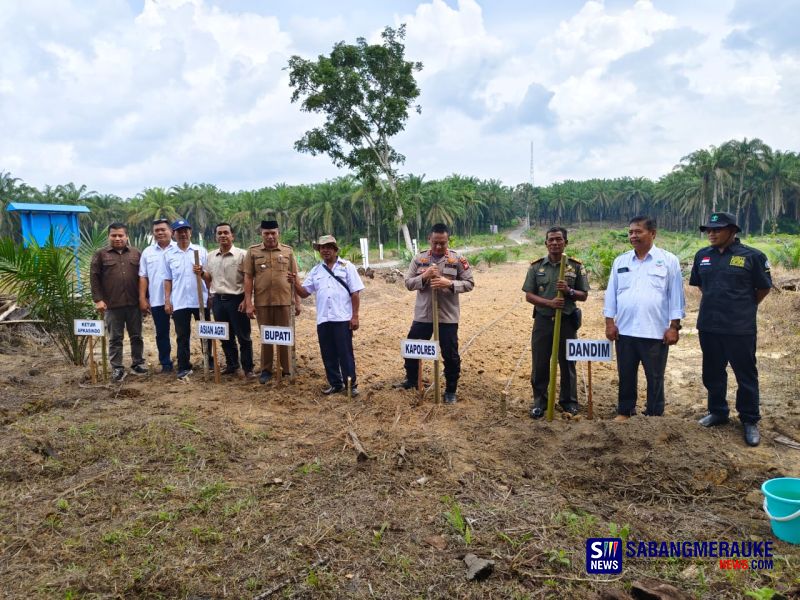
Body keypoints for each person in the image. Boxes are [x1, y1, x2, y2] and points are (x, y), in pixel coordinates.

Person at [689, 212, 772, 447]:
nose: (711, 234)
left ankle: (749, 419)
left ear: (733, 231)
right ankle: (717, 412)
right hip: (709, 325)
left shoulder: (753, 256)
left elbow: (763, 289)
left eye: (717, 230)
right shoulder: (702, 256)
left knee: (745, 375)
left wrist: (743, 306)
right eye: (708, 230)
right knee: (712, 372)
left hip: (740, 327)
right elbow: (702, 286)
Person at [604, 216, 685, 420]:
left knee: (655, 376)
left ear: (653, 233)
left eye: (638, 231)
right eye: (631, 232)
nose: (633, 236)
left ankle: (654, 413)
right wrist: (609, 322)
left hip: (655, 332)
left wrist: (674, 327)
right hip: (625, 330)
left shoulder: (668, 261)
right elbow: (611, 294)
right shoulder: (620, 261)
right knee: (626, 374)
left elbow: (676, 296)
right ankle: (625, 410)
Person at [395, 223, 475, 404]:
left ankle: (450, 390)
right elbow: (408, 283)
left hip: (447, 317)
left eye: (443, 243)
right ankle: (412, 380)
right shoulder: (419, 259)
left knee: (450, 354)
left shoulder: (457, 259)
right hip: (424, 315)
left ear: (448, 241)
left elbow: (470, 283)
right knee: (412, 348)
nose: (439, 247)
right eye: (435, 243)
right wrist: (424, 276)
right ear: (429, 240)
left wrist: (450, 283)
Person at [522, 227, 589, 418]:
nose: (554, 243)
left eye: (559, 240)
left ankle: (569, 402)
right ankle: (540, 402)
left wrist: (568, 291)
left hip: (567, 321)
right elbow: (529, 295)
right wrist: (549, 303)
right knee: (540, 363)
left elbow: (583, 295)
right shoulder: (536, 267)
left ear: (565, 242)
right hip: (543, 321)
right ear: (546, 243)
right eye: (551, 240)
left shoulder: (575, 266)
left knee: (567, 363)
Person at [290, 235, 364, 395]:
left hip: (342, 318)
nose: (325, 250)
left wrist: (355, 316)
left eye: (329, 247)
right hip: (324, 319)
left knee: (345, 353)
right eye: (322, 248)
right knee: (328, 353)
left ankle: (351, 385)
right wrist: (294, 282)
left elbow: (355, 293)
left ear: (335, 249)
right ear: (319, 251)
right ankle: (335, 384)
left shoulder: (347, 267)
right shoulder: (316, 271)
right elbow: (304, 293)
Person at [243, 220, 301, 384]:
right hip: (262, 302)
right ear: (261, 234)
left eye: (273, 233)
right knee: (267, 337)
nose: (270, 236)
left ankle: (286, 369)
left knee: (284, 336)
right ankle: (266, 370)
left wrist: (297, 301)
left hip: (284, 301)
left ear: (278, 233)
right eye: (266, 233)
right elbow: (248, 277)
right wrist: (249, 302)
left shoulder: (288, 251)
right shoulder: (253, 251)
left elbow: (295, 277)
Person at [90, 222, 147, 382]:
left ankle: (138, 363)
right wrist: (98, 300)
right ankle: (117, 368)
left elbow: (144, 277)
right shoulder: (101, 255)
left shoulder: (136, 253)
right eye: (114, 235)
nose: (117, 238)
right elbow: (94, 277)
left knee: (137, 336)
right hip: (112, 305)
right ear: (109, 236)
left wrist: (145, 298)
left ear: (126, 236)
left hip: (134, 303)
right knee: (115, 338)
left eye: (120, 235)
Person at [203, 223, 255, 379]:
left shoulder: (242, 255)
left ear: (233, 236)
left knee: (243, 336)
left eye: (226, 232)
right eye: (219, 233)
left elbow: (249, 278)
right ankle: (232, 365)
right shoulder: (211, 256)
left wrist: (247, 300)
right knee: (225, 336)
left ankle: (248, 368)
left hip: (237, 300)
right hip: (218, 301)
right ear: (216, 236)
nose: (223, 235)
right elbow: (209, 278)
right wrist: (201, 274)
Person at [163, 219, 211, 380]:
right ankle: (184, 366)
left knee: (206, 332)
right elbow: (168, 280)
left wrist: (202, 273)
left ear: (190, 232)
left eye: (186, 231)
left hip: (201, 300)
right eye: (179, 231)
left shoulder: (200, 251)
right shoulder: (169, 254)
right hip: (180, 302)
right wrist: (167, 301)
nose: (183, 234)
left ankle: (209, 361)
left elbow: (209, 276)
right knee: (182, 335)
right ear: (174, 234)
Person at [139, 218, 176, 373]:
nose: (160, 233)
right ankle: (165, 363)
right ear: (153, 233)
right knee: (161, 333)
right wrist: (142, 298)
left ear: (171, 231)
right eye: (156, 231)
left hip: (179, 300)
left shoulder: (178, 249)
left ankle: (185, 361)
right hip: (156, 300)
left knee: (183, 333)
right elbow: (143, 276)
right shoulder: (148, 252)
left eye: (163, 229)